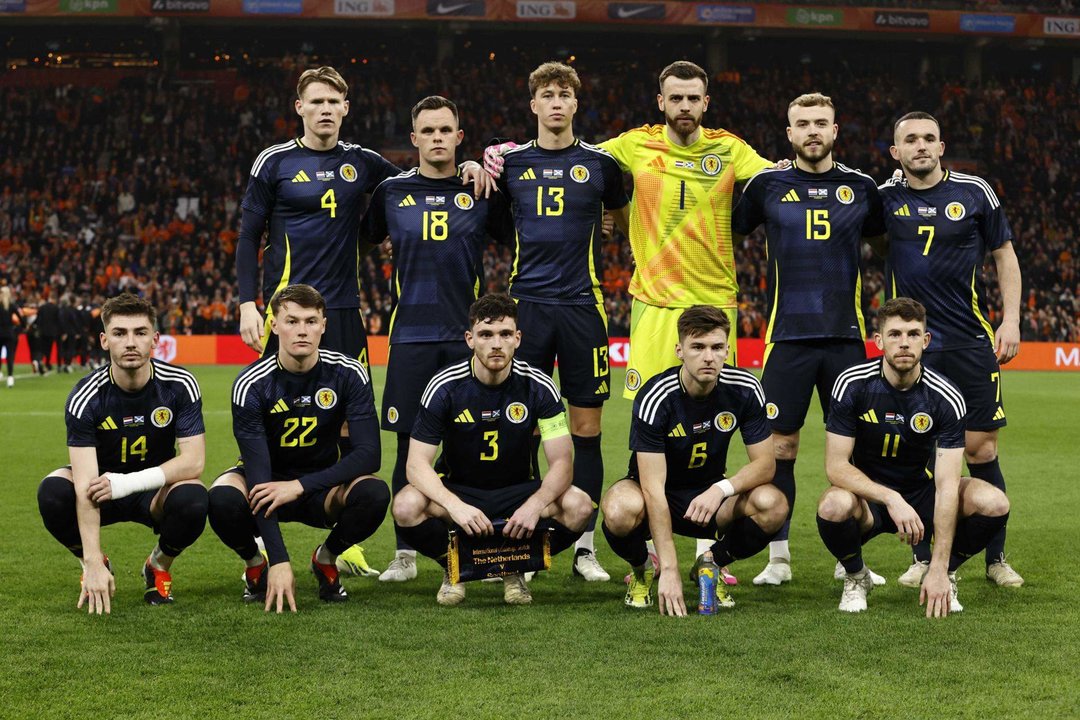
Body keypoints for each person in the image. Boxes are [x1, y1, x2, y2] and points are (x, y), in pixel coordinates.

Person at [731, 92, 887, 587]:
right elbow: (727, 231)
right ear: (790, 133)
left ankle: (852, 559)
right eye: (804, 123)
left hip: (847, 339)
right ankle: (779, 560)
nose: (813, 131)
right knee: (781, 447)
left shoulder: (862, 187)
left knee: (859, 449)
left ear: (836, 131)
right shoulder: (766, 185)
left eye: (822, 122)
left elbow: (885, 243)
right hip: (787, 338)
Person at [237, 66, 492, 362]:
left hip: (344, 307)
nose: (325, 109)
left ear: (345, 108)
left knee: (354, 405)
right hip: (288, 309)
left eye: (333, 102)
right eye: (317, 102)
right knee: (281, 402)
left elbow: (420, 183)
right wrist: (246, 304)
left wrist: (467, 167)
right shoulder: (273, 162)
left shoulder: (361, 161)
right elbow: (248, 235)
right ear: (300, 107)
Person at [357, 95, 508, 583]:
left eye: (447, 130)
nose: (438, 137)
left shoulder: (482, 191)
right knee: (407, 445)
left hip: (470, 337)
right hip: (411, 337)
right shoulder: (390, 191)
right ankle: (404, 554)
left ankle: (488, 548)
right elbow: (359, 238)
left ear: (460, 137)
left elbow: (523, 230)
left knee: (475, 444)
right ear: (415, 137)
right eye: (429, 130)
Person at [494, 62, 630, 581]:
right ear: (533, 105)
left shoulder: (600, 165)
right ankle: (521, 537)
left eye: (564, 95)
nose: (555, 102)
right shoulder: (509, 165)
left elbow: (618, 214)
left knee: (586, 429)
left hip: (582, 308)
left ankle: (585, 547)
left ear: (576, 104)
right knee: (521, 426)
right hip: (525, 306)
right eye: (546, 95)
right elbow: (492, 221)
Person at [880, 112, 1024, 588]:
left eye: (929, 138)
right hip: (911, 346)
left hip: (968, 341)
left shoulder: (975, 192)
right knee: (921, 451)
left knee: (981, 448)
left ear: (942, 147)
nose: (920, 145)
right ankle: (924, 558)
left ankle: (995, 559)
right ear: (895, 152)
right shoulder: (882, 198)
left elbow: (1005, 254)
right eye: (909, 140)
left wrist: (1011, 319)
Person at [391, 293, 593, 606]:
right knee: (405, 506)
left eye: (504, 334)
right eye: (486, 335)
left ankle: (515, 564)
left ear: (518, 338)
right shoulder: (444, 386)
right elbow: (416, 464)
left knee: (580, 506)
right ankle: (454, 565)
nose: (496, 344)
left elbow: (563, 462)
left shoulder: (539, 385)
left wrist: (535, 504)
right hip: (459, 489)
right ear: (470, 339)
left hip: (518, 491)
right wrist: (454, 505)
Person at [818, 297, 1010, 616]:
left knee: (995, 503)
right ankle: (856, 576)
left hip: (924, 495)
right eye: (895, 334)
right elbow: (835, 466)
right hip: (870, 498)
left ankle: (945, 573)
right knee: (832, 504)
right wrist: (891, 498)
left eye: (912, 334)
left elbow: (948, 485)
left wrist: (938, 564)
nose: (904, 343)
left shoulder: (945, 397)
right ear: (878, 340)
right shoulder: (851, 385)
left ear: (925, 340)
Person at [207, 284, 388, 612]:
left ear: (323, 325)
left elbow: (369, 454)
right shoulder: (252, 383)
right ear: (274, 326)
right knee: (220, 498)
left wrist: (300, 486)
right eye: (291, 321)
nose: (301, 330)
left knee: (374, 493)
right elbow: (259, 475)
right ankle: (255, 564)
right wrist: (279, 560)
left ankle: (326, 558)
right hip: (264, 482)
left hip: (322, 485)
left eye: (310, 321)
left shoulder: (348, 373)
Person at [600, 305, 784, 615]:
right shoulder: (656, 396)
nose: (708, 357)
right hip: (654, 495)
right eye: (697, 347)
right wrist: (669, 567)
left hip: (711, 498)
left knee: (773, 504)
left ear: (728, 349)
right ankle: (645, 567)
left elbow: (766, 464)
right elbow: (653, 488)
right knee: (618, 509)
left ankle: (710, 564)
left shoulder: (745, 388)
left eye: (716, 347)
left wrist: (722, 489)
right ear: (680, 350)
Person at [36, 293, 208, 614]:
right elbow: (85, 482)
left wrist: (127, 483)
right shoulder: (86, 396)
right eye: (120, 333)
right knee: (53, 492)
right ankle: (97, 563)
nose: (130, 342)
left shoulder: (180, 384)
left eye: (140, 332)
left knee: (194, 498)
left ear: (155, 339)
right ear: (104, 340)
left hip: (153, 491)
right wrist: (90, 560)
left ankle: (158, 565)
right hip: (101, 489)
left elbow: (194, 461)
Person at [0, 286, 23, 387]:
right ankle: (10, 378)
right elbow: (21, 318)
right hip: (9, 333)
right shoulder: (12, 305)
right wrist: (19, 329)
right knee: (10, 357)